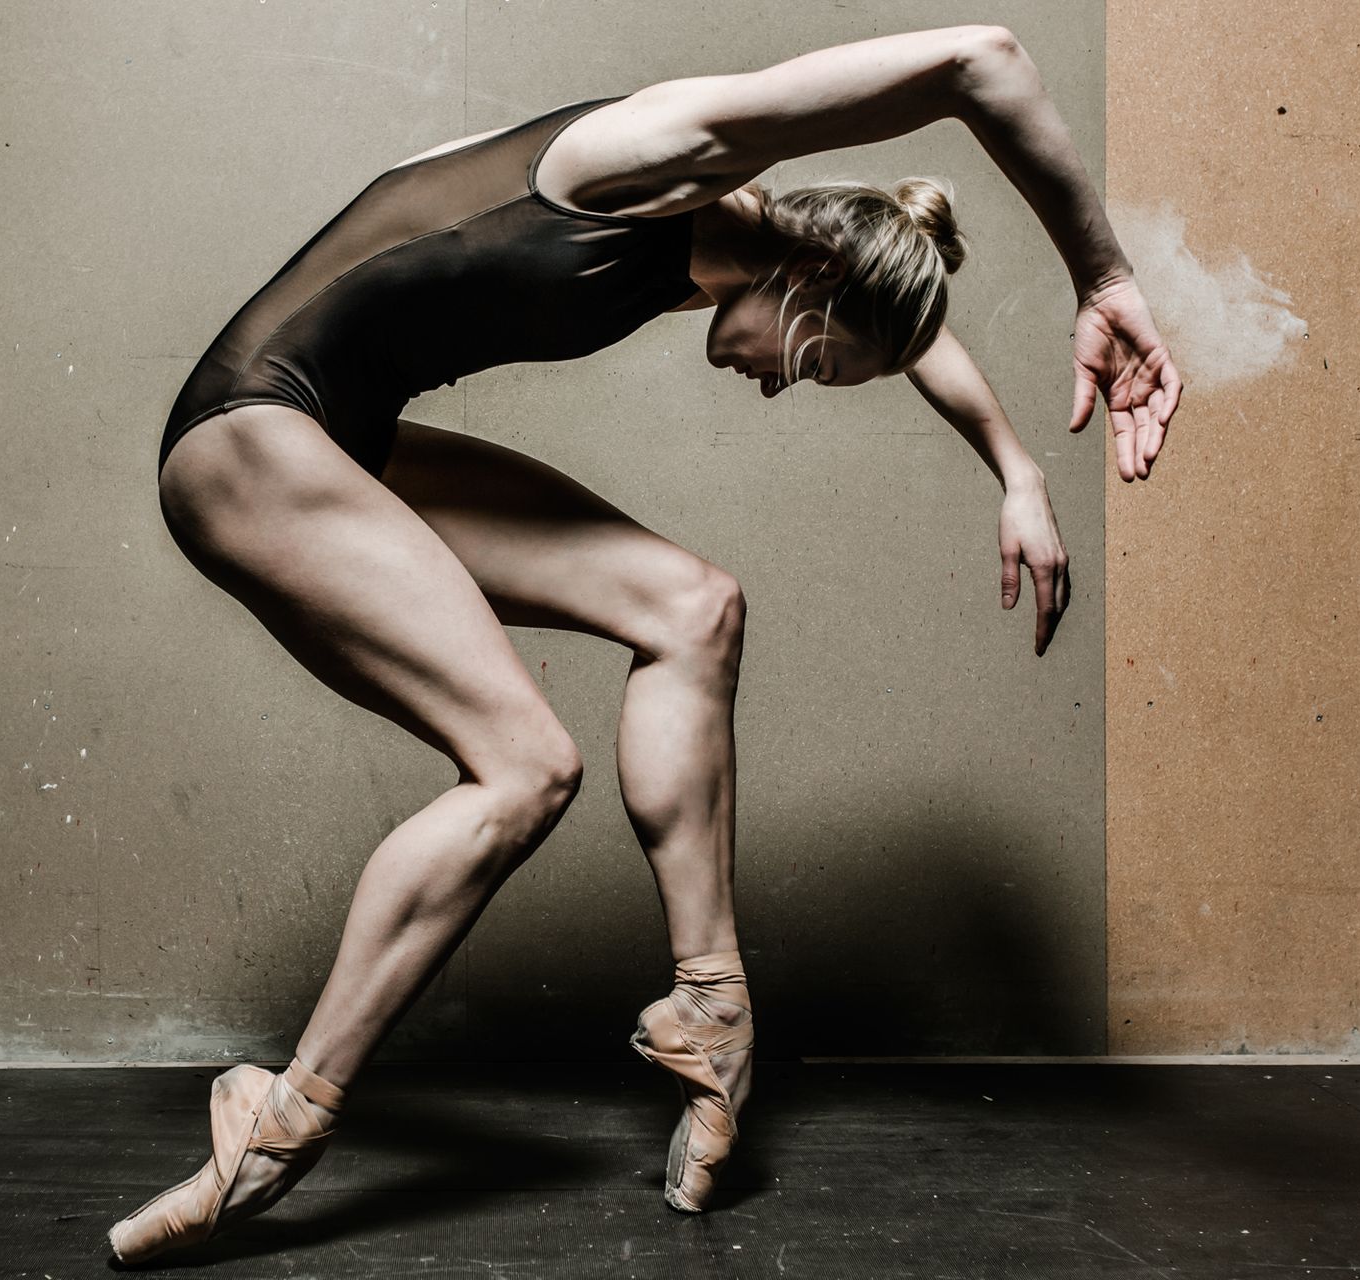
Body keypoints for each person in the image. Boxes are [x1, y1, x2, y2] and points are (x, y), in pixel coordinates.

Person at [111, 23, 1181, 1265]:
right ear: (815, 288)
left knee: (694, 606)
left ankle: (710, 1009)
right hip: (249, 435)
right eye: (820, 366)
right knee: (524, 765)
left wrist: (1016, 472)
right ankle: (284, 1116)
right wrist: (1102, 278)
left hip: (340, 437)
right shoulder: (655, 156)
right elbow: (979, 60)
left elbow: (906, 317)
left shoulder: (779, 253)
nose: (788, 388)